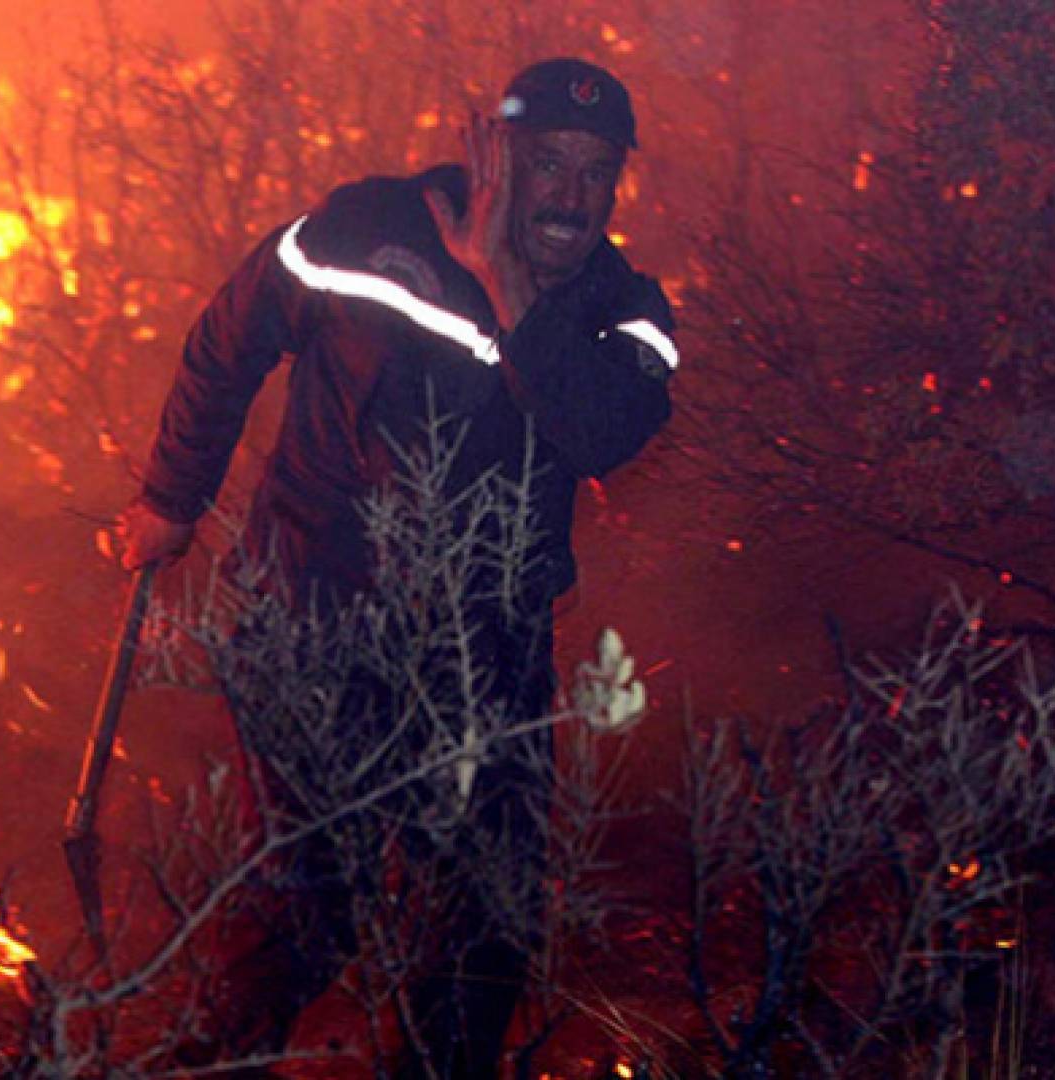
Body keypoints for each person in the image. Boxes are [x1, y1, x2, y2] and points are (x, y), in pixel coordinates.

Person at [119, 58, 678, 1076]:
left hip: (487, 652)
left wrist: (506, 288)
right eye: (549, 162)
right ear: (498, 154)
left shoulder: (624, 310)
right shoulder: (365, 231)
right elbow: (229, 340)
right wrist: (170, 498)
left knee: (485, 925)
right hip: (316, 614)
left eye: (596, 172)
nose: (571, 196)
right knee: (306, 905)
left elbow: (604, 431)